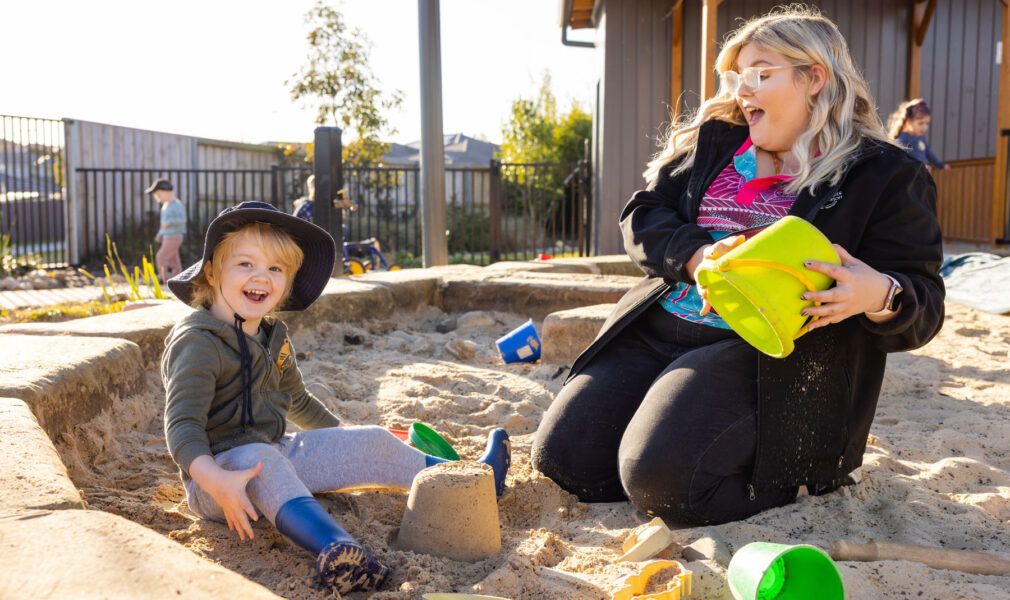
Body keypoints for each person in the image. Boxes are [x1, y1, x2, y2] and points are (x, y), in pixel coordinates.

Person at [531, 7, 944, 526]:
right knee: (564, 463)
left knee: (661, 484)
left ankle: (802, 475)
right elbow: (643, 214)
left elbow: (924, 302)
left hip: (764, 355)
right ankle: (668, 420)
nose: (742, 89)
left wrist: (879, 294)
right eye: (737, 75)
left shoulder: (885, 174)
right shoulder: (717, 143)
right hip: (660, 329)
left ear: (814, 78)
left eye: (761, 73)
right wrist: (698, 255)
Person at [162, 201, 510, 594]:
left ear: (288, 281)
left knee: (372, 440)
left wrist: (345, 437)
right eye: (246, 264)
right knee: (259, 460)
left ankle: (476, 479)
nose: (261, 276)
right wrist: (217, 482)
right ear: (212, 270)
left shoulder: (273, 337)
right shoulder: (198, 342)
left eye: (276, 268)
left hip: (273, 451)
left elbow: (298, 401)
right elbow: (182, 428)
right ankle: (337, 546)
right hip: (219, 479)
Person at [888, 98, 950, 172]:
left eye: (927, 123)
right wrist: (920, 168)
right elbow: (900, 160)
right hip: (909, 178)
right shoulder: (903, 138)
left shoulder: (920, 137)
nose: (924, 127)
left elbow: (929, 153)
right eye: (920, 123)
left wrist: (940, 165)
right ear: (908, 122)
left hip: (919, 176)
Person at [146, 178, 186, 280]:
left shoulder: (176, 205)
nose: (158, 198)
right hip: (168, 237)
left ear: (167, 192)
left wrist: (169, 223)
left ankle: (163, 279)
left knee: (161, 257)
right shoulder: (166, 206)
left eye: (159, 195)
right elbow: (163, 224)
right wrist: (160, 234)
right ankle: (178, 279)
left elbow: (182, 219)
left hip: (174, 236)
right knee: (174, 261)